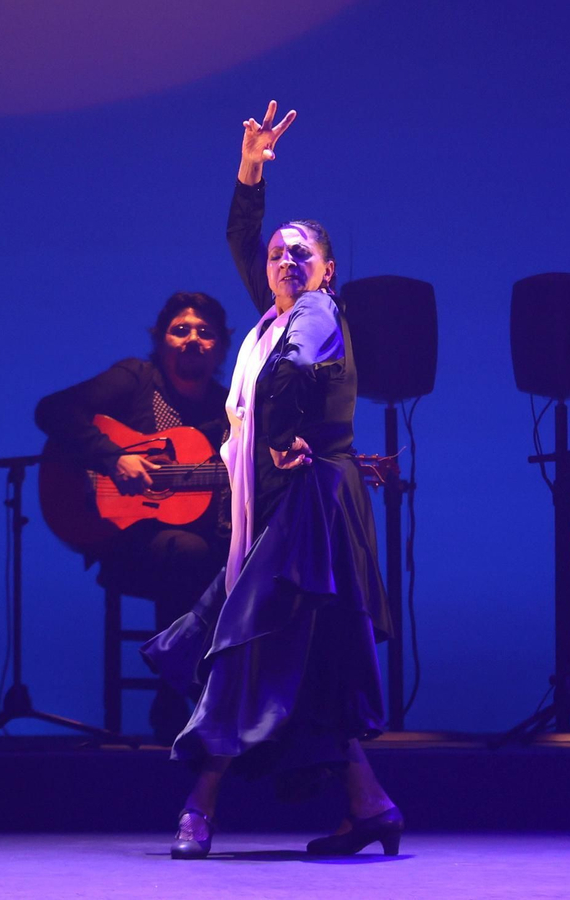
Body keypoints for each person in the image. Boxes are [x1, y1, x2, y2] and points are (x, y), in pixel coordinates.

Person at [142, 101, 401, 859]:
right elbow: (239, 238)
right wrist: (251, 168)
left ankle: (200, 805)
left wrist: (295, 438)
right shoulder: (269, 323)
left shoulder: (317, 316)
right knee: (302, 659)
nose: (287, 262)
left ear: (328, 269)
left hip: (307, 512)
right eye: (279, 255)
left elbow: (301, 372)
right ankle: (371, 803)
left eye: (303, 255)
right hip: (285, 507)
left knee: (242, 640)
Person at [34, 291, 234, 744]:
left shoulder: (227, 411)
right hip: (122, 541)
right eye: (180, 329)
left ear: (222, 347)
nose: (192, 339)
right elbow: (52, 410)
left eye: (205, 332)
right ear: (160, 340)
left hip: (202, 552)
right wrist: (111, 458)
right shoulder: (136, 379)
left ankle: (238, 706)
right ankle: (175, 690)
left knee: (237, 560)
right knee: (187, 554)